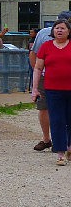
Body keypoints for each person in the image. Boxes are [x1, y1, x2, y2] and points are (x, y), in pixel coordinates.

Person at [30, 11, 71, 151]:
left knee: (48, 110)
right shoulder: (44, 36)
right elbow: (34, 56)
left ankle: (56, 141)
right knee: (48, 110)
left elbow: (32, 54)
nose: (59, 29)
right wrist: (37, 77)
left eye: (63, 26)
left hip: (63, 82)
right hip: (48, 79)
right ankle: (49, 140)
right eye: (57, 27)